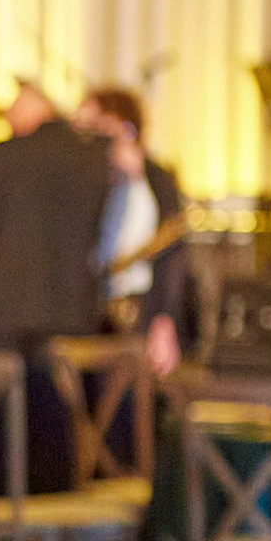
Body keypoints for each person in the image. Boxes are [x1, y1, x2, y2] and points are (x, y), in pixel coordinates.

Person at [0, 80, 114, 352]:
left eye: (14, 108)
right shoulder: (96, 155)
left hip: (7, 310)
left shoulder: (5, 153)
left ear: (37, 108)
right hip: (77, 312)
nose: (8, 117)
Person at [75, 86, 186, 378]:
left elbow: (172, 254)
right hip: (90, 310)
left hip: (138, 308)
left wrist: (164, 320)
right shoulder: (90, 178)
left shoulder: (155, 179)